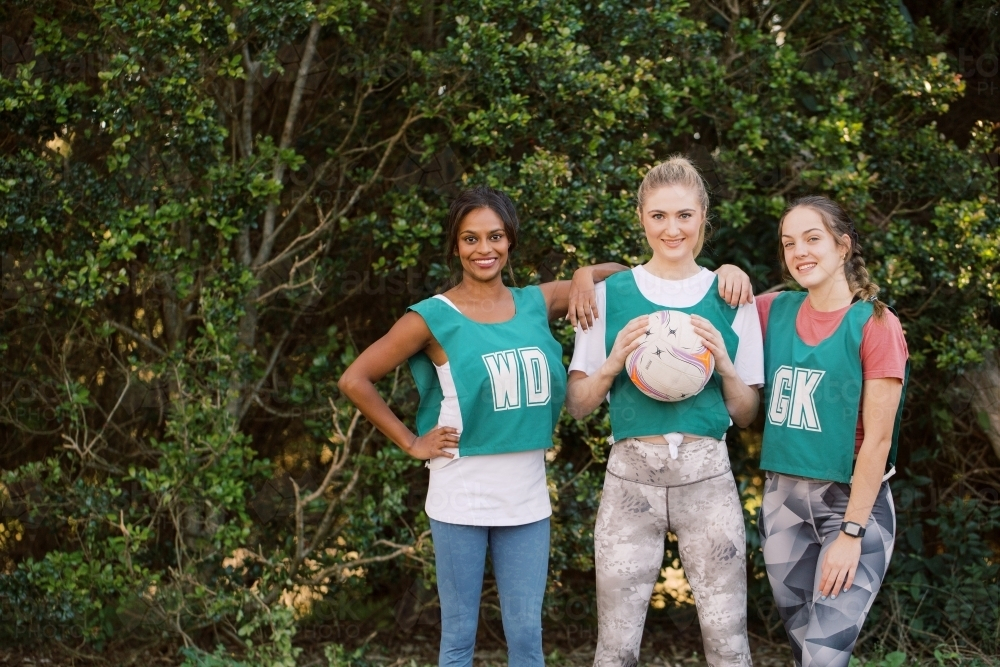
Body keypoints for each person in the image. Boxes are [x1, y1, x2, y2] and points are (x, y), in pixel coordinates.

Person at [338, 185, 752, 667]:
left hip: (527, 497)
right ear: (455, 246)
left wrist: (582, 273)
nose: (484, 249)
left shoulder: (536, 302)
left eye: (495, 236)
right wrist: (411, 442)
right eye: (470, 239)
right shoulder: (433, 316)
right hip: (460, 491)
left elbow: (625, 276)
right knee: (457, 641)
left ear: (510, 240)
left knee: (527, 641)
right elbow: (356, 379)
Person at [566, 156, 763, 667]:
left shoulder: (731, 294)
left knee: (729, 644)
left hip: (707, 477)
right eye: (658, 216)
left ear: (703, 217)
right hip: (630, 482)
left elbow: (745, 414)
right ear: (641, 219)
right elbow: (579, 406)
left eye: (684, 215)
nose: (671, 229)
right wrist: (611, 364)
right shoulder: (607, 297)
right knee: (615, 646)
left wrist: (723, 364)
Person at [756, 196, 909, 667]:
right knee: (805, 647)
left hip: (851, 506)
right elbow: (693, 298)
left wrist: (851, 532)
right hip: (782, 504)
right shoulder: (771, 311)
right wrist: (727, 272)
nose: (799, 251)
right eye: (788, 243)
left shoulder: (876, 324)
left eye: (812, 238)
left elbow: (878, 443)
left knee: (824, 656)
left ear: (843, 247)